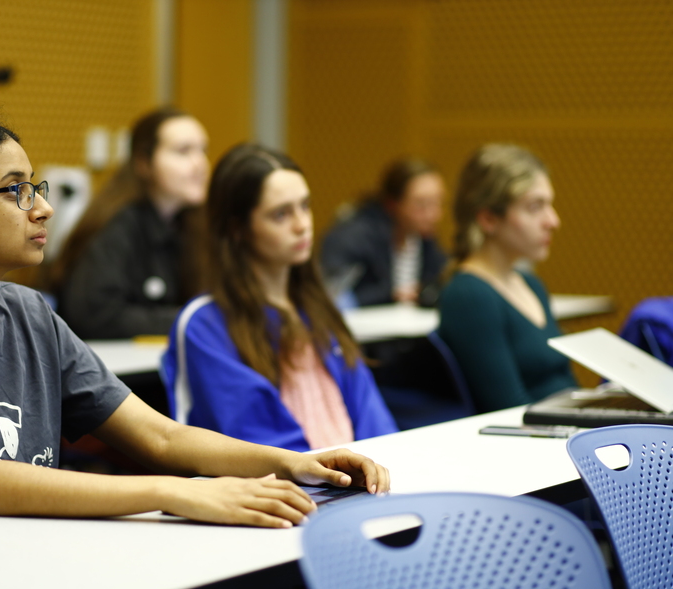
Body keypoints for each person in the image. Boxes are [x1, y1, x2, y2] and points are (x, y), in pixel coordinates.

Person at [0, 115, 390, 543]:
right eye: (15, 190)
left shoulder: (28, 313)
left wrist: (290, 462)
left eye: (36, 187)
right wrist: (176, 495)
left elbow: (162, 437)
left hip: (27, 560)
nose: (42, 208)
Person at [162, 144, 397, 452]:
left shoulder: (318, 308)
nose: (302, 225)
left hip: (354, 484)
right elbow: (258, 442)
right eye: (281, 214)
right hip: (286, 491)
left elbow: (373, 420)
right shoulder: (205, 325)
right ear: (238, 229)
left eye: (305, 206)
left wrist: (385, 465)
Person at [437, 143, 578, 413]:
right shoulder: (469, 295)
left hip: (563, 432)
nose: (553, 221)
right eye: (535, 207)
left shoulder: (532, 285)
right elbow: (509, 409)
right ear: (489, 218)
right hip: (530, 445)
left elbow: (565, 385)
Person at [51, 107, 209, 339]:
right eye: (183, 151)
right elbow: (95, 316)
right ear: (144, 162)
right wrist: (192, 321)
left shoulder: (190, 222)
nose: (200, 164)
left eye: (203, 150)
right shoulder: (116, 225)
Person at [321, 157, 446, 308]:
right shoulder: (353, 237)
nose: (433, 215)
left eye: (438, 202)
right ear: (393, 204)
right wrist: (389, 294)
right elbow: (333, 296)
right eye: (421, 204)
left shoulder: (424, 238)